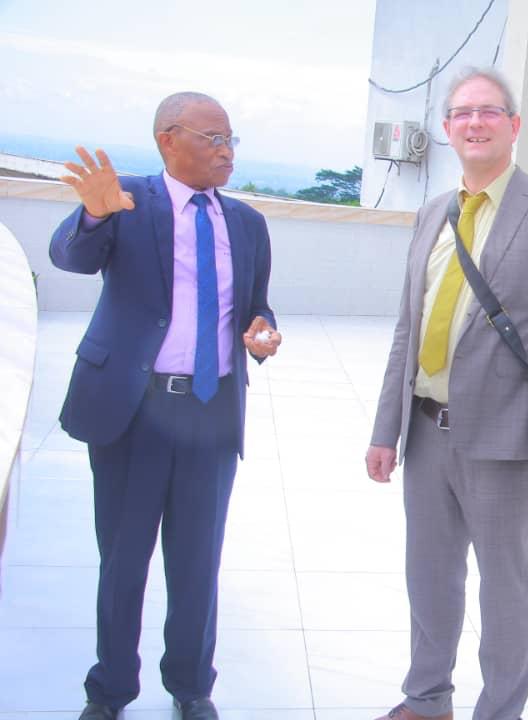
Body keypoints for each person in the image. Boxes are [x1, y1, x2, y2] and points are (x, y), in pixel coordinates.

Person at [364, 68, 528, 720]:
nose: (475, 122)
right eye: (463, 112)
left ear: (513, 126)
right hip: (424, 430)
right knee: (430, 579)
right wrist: (386, 428)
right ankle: (426, 697)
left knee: (504, 589)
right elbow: (408, 328)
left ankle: (499, 711)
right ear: (445, 129)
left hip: (506, 440)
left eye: (489, 112)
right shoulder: (432, 213)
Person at [50, 91, 281, 720]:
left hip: (211, 412)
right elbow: (70, 257)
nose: (226, 150)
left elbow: (255, 305)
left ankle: (190, 686)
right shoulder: (125, 200)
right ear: (168, 140)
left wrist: (261, 332)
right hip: (134, 411)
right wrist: (93, 218)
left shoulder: (247, 223)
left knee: (197, 562)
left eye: (232, 138)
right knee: (124, 559)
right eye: (212, 139)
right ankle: (110, 691)